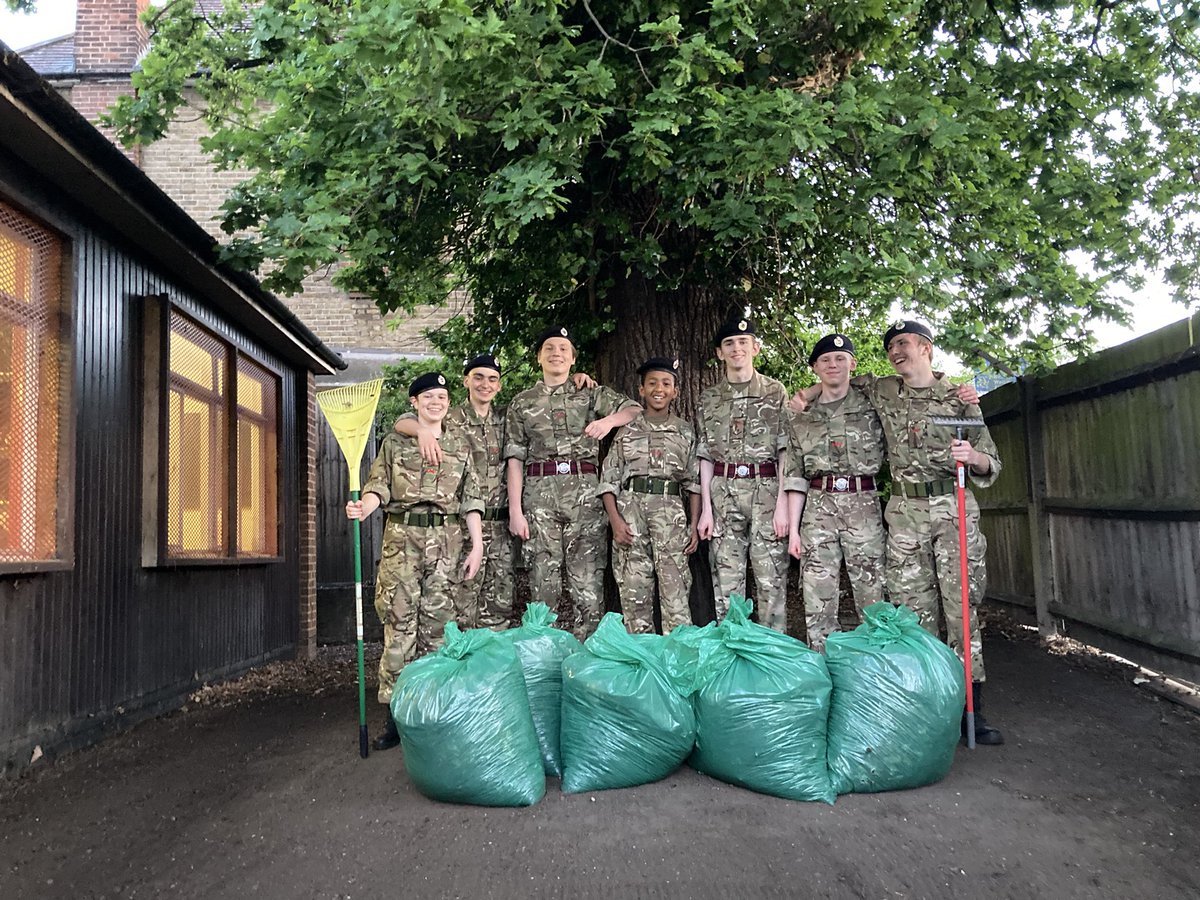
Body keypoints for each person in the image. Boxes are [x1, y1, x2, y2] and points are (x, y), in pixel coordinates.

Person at [793, 320, 1003, 745]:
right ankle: (927, 701)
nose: (896, 351)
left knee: (960, 607)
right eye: (891, 346)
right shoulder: (882, 391)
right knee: (913, 612)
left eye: (904, 343)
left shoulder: (959, 399)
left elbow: (991, 463)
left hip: (951, 508)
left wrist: (973, 455)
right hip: (904, 511)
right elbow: (836, 376)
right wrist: (807, 394)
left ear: (926, 348)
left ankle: (971, 708)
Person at [346, 371, 484, 750]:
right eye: (427, 397)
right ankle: (394, 718)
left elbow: (472, 499)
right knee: (399, 625)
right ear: (415, 403)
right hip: (402, 541)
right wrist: (364, 507)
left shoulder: (461, 444)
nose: (435, 402)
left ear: (447, 403)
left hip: (447, 542)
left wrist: (477, 545)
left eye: (441, 396)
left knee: (439, 629)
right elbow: (379, 486)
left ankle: (433, 712)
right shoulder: (394, 443)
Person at [504, 326, 641, 640]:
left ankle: (587, 664)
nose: (556, 354)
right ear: (539, 357)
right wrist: (515, 511)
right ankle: (542, 662)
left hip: (585, 498)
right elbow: (514, 458)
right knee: (542, 585)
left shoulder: (590, 393)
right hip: (539, 498)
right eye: (549, 348)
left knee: (588, 586)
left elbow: (635, 410)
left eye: (564, 349)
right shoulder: (522, 402)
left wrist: (608, 421)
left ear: (573, 358)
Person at [784, 333, 886, 651]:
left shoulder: (873, 402)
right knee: (817, 594)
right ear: (815, 367)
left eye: (840, 358)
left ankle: (876, 670)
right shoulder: (802, 416)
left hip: (863, 504)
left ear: (852, 364)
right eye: (825, 360)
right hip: (818, 506)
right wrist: (794, 532)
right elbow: (795, 475)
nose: (833, 364)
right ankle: (824, 668)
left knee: (872, 592)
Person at [695, 316, 791, 631]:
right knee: (726, 580)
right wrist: (706, 510)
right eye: (729, 344)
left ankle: (772, 653)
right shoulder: (710, 397)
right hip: (723, 491)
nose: (737, 348)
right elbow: (706, 454)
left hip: (765, 490)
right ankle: (732, 653)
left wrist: (782, 505)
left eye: (743, 342)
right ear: (720, 353)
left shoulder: (775, 391)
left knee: (771, 579)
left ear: (755, 348)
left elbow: (784, 450)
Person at [598, 357, 701, 634]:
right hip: (630, 514)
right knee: (634, 593)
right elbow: (608, 480)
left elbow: (693, 483)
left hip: (671, 515)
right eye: (652, 383)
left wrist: (693, 524)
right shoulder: (627, 430)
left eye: (666, 383)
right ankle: (642, 659)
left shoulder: (685, 431)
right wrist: (616, 522)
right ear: (641, 390)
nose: (659, 389)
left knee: (676, 592)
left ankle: (677, 659)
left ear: (675, 391)